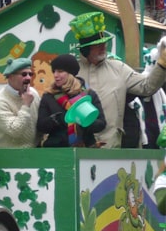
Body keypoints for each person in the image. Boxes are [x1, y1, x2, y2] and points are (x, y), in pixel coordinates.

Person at [70, 12, 166, 149]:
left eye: (104, 42)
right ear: (85, 49)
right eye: (97, 44)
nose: (103, 46)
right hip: (78, 148)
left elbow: (147, 87)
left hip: (111, 148)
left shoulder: (118, 68)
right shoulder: (73, 71)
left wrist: (161, 65)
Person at [37, 53, 107, 147]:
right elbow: (41, 126)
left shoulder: (88, 94)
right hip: (56, 150)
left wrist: (85, 120)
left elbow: (101, 123)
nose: (55, 75)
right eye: (54, 71)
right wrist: (55, 120)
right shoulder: (49, 96)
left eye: (60, 71)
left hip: (85, 148)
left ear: (71, 74)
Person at [0, 56, 42, 148]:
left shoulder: (33, 93)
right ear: (10, 76)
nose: (28, 78)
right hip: (6, 155)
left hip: (32, 153)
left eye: (30, 74)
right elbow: (15, 131)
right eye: (24, 74)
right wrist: (26, 105)